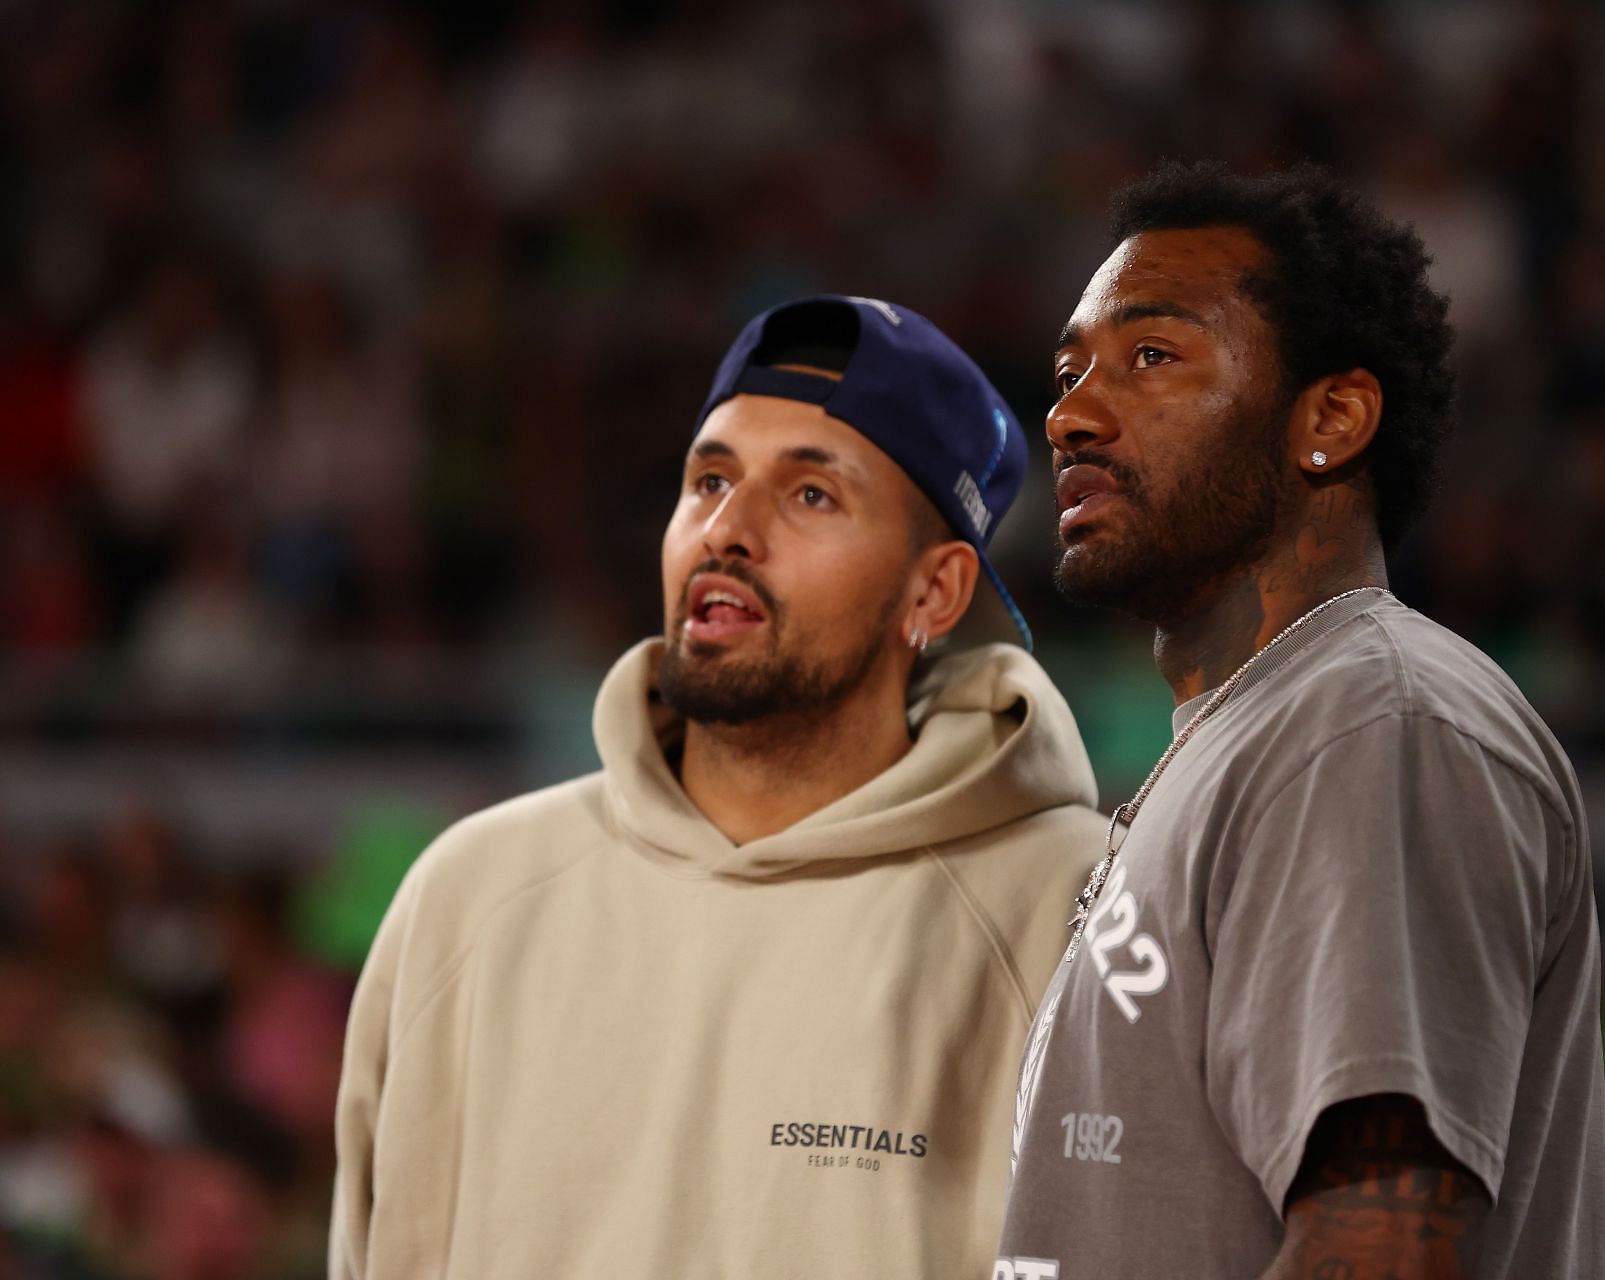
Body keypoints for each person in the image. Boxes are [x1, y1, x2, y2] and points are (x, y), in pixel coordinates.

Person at [330, 295, 1104, 1278]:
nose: (728, 531)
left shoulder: (1075, 910)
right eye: (709, 480)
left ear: (934, 591)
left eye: (812, 494)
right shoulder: (469, 894)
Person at [994, 162, 1605, 1279]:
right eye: (1070, 371)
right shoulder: (1251, 736)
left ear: (1329, 418)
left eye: (1150, 356)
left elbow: (1380, 1241)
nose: (1071, 413)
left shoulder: (1371, 720)